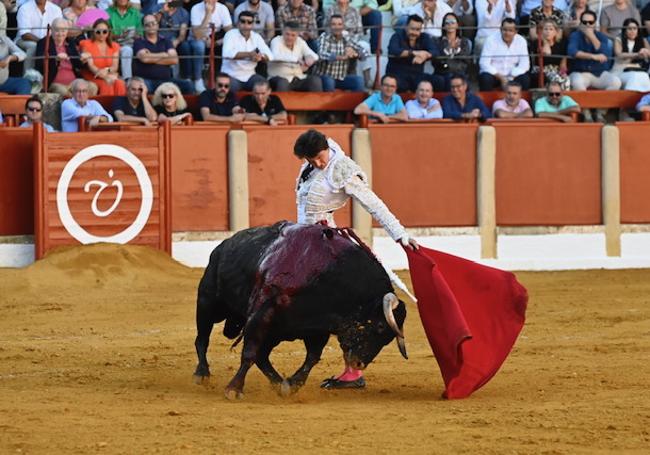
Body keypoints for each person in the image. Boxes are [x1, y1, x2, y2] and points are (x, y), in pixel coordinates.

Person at [293, 128, 418, 389]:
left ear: (326, 147)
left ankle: (352, 370)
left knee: (340, 305)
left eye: (318, 157)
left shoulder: (342, 169)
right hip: (302, 239)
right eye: (310, 159)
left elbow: (374, 204)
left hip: (327, 242)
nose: (316, 163)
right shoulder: (311, 168)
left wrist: (400, 235)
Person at [568, 10, 621, 122]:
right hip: (580, 71)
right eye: (584, 22)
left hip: (599, 73)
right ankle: (586, 113)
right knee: (577, 82)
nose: (587, 25)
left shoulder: (601, 36)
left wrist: (591, 36)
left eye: (590, 22)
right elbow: (572, 51)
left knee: (616, 82)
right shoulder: (575, 35)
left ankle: (600, 112)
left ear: (595, 23)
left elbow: (605, 54)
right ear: (581, 23)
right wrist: (593, 56)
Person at [133, 14, 194, 94]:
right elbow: (145, 58)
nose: (151, 26)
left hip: (166, 81)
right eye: (147, 24)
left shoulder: (166, 41)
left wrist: (151, 56)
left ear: (157, 25)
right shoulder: (139, 42)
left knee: (188, 85)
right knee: (142, 88)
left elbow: (174, 59)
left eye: (153, 23)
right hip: (147, 80)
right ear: (144, 27)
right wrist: (164, 55)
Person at [35, 18, 94, 95]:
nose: (60, 33)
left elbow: (78, 64)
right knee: (64, 92)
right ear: (51, 30)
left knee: (92, 87)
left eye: (63, 31)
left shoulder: (70, 42)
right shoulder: (43, 42)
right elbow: (39, 64)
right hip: (55, 83)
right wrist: (55, 58)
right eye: (57, 30)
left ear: (67, 31)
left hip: (74, 82)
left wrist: (84, 60)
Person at [386, 14, 442, 92]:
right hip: (398, 74)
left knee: (440, 81)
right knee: (397, 84)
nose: (414, 32)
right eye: (412, 29)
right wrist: (414, 53)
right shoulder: (397, 36)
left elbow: (435, 52)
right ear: (406, 27)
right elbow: (393, 51)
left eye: (418, 30)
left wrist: (424, 56)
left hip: (417, 76)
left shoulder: (424, 37)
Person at [313, 13, 368, 92]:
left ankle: (355, 104)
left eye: (339, 24)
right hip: (324, 76)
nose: (337, 27)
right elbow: (320, 54)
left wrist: (356, 53)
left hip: (341, 77)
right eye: (334, 24)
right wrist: (339, 57)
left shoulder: (347, 38)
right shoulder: (324, 37)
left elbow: (365, 53)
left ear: (343, 26)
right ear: (330, 26)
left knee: (359, 81)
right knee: (329, 82)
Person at [324, 0, 372, 87]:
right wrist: (344, 42)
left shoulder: (355, 11)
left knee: (365, 46)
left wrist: (350, 44)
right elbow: (327, 30)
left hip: (353, 41)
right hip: (335, 41)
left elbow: (359, 32)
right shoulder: (330, 10)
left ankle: (367, 79)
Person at [221, 11, 272, 93]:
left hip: (250, 75)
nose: (246, 25)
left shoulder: (256, 37)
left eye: (249, 22)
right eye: (243, 21)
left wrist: (260, 57)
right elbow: (227, 54)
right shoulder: (230, 34)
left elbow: (270, 55)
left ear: (252, 25)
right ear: (238, 23)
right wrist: (249, 54)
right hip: (231, 75)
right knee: (228, 87)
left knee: (264, 85)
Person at [189, 0, 233, 93]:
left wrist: (217, 42)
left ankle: (224, 79)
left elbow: (230, 32)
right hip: (198, 39)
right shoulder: (196, 8)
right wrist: (208, 14)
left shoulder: (223, 8)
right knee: (199, 46)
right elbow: (197, 34)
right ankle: (198, 79)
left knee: (229, 44)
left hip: (216, 38)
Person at [267, 21, 321, 92]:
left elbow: (315, 56)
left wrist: (310, 58)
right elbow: (274, 56)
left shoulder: (300, 41)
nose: (289, 38)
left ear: (297, 35)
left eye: (293, 35)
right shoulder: (276, 40)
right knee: (283, 83)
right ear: (283, 32)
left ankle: (315, 103)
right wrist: (296, 59)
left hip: (298, 77)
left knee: (315, 81)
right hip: (279, 77)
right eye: (287, 34)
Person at [479, 17, 530, 91]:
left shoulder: (521, 41)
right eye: (505, 30)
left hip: (513, 76)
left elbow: (525, 64)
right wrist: (502, 78)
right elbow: (483, 63)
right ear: (500, 29)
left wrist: (511, 77)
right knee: (485, 78)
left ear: (516, 31)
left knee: (525, 79)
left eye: (510, 31)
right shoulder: (491, 40)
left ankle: (520, 102)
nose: (507, 33)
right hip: (495, 75)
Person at [79, 18, 126, 95]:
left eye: (104, 31)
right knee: (107, 84)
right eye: (98, 32)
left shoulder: (114, 46)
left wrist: (107, 71)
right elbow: (91, 66)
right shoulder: (86, 44)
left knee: (120, 83)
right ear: (93, 31)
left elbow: (115, 67)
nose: (101, 34)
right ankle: (105, 106)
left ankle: (120, 106)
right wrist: (105, 77)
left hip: (110, 74)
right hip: (93, 76)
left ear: (108, 32)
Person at [16, 0, 63, 73]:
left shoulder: (56, 9)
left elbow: (60, 30)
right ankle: (29, 77)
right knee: (33, 46)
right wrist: (43, 43)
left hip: (49, 41)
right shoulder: (24, 8)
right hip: (24, 41)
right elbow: (24, 34)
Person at [153, 0, 190, 80]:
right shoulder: (158, 7)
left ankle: (186, 77)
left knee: (185, 46)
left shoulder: (183, 12)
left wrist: (177, 41)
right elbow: (152, 25)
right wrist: (162, 11)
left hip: (174, 40)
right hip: (158, 38)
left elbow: (182, 34)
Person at [435, 11, 472, 90]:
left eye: (452, 22)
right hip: (443, 73)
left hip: (460, 72)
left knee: (461, 80)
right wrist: (454, 60)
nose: (450, 25)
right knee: (447, 79)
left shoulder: (464, 42)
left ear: (457, 25)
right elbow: (436, 60)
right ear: (444, 26)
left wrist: (448, 62)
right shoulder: (438, 41)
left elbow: (466, 60)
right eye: (447, 23)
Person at [107, 0, 143, 80]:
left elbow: (140, 33)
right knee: (127, 50)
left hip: (132, 43)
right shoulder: (108, 12)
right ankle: (127, 79)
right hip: (114, 45)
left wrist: (135, 34)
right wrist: (120, 35)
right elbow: (104, 34)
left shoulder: (135, 12)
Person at [611, 18, 650, 92]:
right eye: (629, 29)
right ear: (625, 30)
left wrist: (645, 51)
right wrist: (637, 54)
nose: (632, 31)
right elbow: (619, 54)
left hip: (638, 69)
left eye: (635, 29)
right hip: (620, 70)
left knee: (643, 76)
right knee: (635, 76)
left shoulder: (643, 40)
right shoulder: (618, 39)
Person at [529, 18, 569, 89]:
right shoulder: (536, 43)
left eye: (551, 29)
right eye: (545, 29)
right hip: (541, 70)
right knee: (555, 80)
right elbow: (547, 52)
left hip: (556, 71)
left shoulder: (560, 45)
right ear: (541, 31)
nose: (548, 32)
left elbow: (563, 64)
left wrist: (563, 73)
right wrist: (545, 41)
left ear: (555, 32)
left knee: (566, 80)